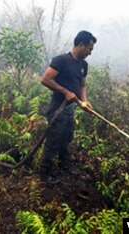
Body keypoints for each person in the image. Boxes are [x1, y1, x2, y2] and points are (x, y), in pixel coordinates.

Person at [40, 31, 97, 184]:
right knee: (54, 138)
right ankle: (45, 172)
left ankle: (65, 164)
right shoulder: (62, 61)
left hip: (71, 108)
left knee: (67, 136)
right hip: (58, 107)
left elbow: (82, 85)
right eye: (89, 49)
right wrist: (65, 92)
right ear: (81, 45)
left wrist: (84, 101)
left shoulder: (83, 65)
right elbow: (45, 79)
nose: (90, 53)